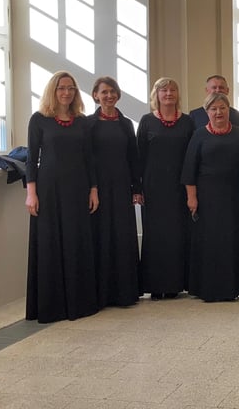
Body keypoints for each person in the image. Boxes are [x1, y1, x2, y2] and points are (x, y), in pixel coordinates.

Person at [25, 71, 99, 323]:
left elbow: (89, 159)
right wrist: (31, 193)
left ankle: (79, 303)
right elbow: (31, 159)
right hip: (48, 190)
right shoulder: (39, 120)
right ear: (52, 91)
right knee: (50, 243)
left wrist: (93, 189)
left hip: (78, 189)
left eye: (71, 88)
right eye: (61, 88)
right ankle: (52, 306)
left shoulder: (82, 122)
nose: (66, 92)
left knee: (76, 241)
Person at [182, 93, 239, 302]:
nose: (218, 112)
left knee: (230, 240)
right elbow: (189, 169)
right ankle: (207, 288)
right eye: (213, 109)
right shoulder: (199, 134)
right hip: (206, 196)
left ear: (229, 110)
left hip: (233, 196)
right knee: (208, 240)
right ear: (207, 112)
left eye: (222, 108)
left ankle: (231, 288)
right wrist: (192, 198)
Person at [137, 77, 196, 300]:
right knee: (155, 236)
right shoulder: (147, 121)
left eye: (172, 90)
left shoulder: (187, 122)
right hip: (153, 187)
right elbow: (138, 156)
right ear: (156, 95)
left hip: (179, 187)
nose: (168, 94)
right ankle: (155, 285)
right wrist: (138, 187)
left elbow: (192, 157)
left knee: (178, 235)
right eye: (164, 90)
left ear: (177, 94)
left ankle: (174, 285)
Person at [87, 76, 141, 308]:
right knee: (101, 235)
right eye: (104, 92)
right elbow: (86, 158)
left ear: (118, 95)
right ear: (95, 96)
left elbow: (133, 157)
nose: (109, 96)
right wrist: (91, 187)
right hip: (97, 187)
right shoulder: (88, 124)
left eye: (112, 92)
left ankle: (124, 293)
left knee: (122, 236)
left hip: (121, 185)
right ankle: (102, 293)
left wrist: (137, 188)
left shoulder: (126, 123)